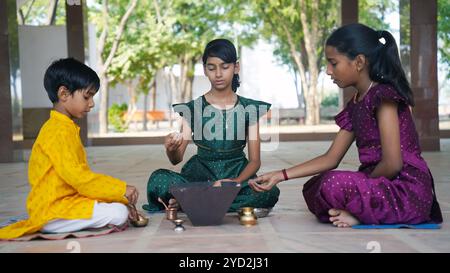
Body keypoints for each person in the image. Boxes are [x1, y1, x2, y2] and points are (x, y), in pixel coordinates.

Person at [248, 23, 443, 227]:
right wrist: (280, 175)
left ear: (358, 62)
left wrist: (364, 185)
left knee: (333, 184)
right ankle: (362, 209)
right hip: (377, 184)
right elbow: (331, 158)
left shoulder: (384, 97)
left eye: (333, 63)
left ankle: (360, 214)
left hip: (405, 189)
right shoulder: (356, 103)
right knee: (314, 186)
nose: (328, 71)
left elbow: (393, 164)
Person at [0, 58, 139, 240]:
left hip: (64, 201)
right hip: (53, 210)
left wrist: (116, 194)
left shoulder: (63, 127)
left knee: (114, 206)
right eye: (87, 96)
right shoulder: (58, 131)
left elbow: (78, 182)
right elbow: (80, 179)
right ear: (64, 94)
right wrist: (120, 190)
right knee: (118, 213)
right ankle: (51, 226)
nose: (91, 104)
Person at [143, 38, 280, 212]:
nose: (218, 74)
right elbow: (176, 159)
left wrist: (236, 182)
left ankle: (192, 201)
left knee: (269, 192)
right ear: (205, 70)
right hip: (199, 178)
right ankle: (208, 199)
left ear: (236, 67)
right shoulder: (193, 109)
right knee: (159, 179)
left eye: (224, 67)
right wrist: (170, 149)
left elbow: (254, 161)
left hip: (237, 176)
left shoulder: (249, 108)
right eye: (211, 67)